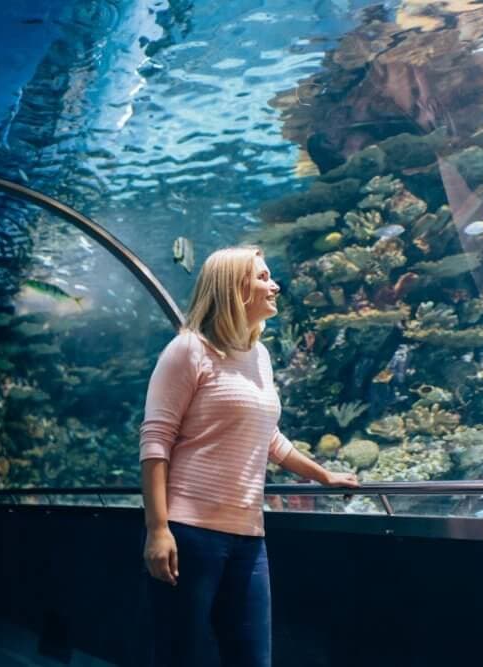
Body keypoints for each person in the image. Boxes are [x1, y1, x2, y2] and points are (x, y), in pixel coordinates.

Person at [139, 245, 359, 666]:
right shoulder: (187, 351)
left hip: (248, 536)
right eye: (262, 276)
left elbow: (269, 437)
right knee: (179, 656)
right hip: (189, 534)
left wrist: (323, 476)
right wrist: (158, 530)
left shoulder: (259, 357)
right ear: (231, 287)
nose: (274, 285)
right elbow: (155, 442)